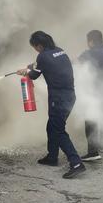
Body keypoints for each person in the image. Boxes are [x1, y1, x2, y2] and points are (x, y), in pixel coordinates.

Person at [17, 31, 86, 179]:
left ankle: (76, 163)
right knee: (52, 126)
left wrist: (26, 71)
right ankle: (52, 157)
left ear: (39, 46)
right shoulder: (59, 51)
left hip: (58, 98)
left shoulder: (42, 56)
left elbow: (34, 75)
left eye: (35, 47)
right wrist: (31, 67)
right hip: (70, 96)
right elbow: (46, 64)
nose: (35, 50)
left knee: (58, 130)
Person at [78, 30, 103, 161]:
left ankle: (93, 152)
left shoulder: (88, 54)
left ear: (91, 41)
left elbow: (75, 64)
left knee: (91, 120)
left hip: (95, 93)